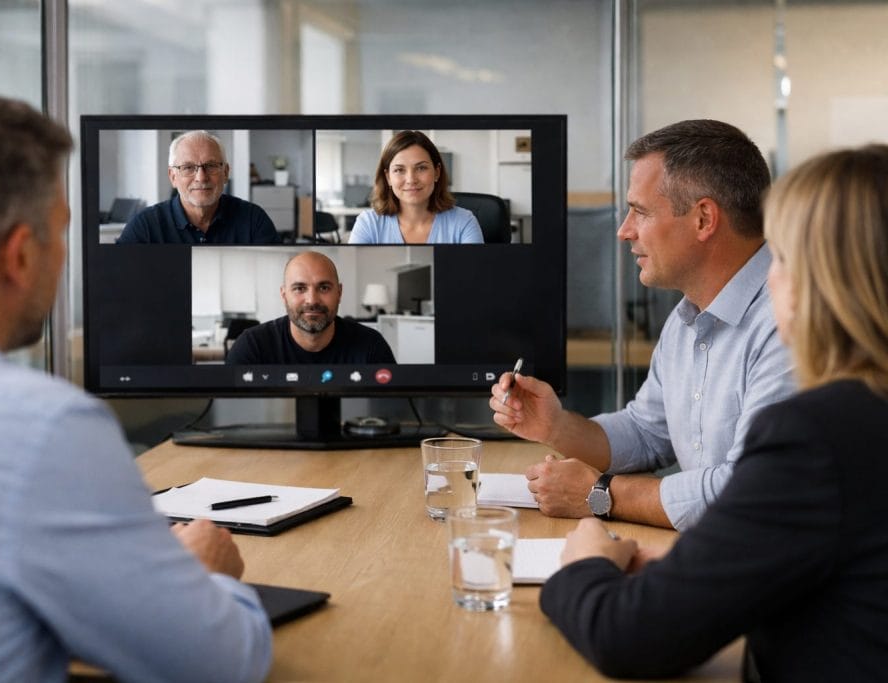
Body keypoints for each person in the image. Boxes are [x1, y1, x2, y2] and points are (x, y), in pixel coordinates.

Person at [0, 90, 271, 682]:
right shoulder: (33, 426)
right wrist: (203, 571)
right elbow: (221, 662)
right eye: (61, 232)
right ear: (19, 254)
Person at [540, 144, 888, 681]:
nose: (773, 276)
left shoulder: (822, 433)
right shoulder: (690, 321)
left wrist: (583, 562)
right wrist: (718, 569)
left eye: (787, 256)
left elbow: (629, 638)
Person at [491, 119, 794, 530]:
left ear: (704, 219)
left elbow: (751, 493)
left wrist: (601, 494)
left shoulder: (790, 323)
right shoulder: (687, 319)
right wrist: (556, 425)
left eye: (639, 212)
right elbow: (646, 434)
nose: (623, 231)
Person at [226, 251, 396, 364]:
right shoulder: (252, 346)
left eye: (323, 288)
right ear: (284, 295)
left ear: (339, 292)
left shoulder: (371, 345)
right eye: (299, 288)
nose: (312, 300)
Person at [116, 130, 280, 244]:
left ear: (226, 173)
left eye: (211, 166)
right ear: (173, 177)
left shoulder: (254, 220)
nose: (201, 177)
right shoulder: (144, 226)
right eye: (188, 168)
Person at [348, 130, 483, 244]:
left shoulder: (464, 222)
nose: (411, 180)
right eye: (399, 170)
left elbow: (475, 274)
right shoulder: (368, 223)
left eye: (421, 168)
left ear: (437, 172)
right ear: (388, 177)